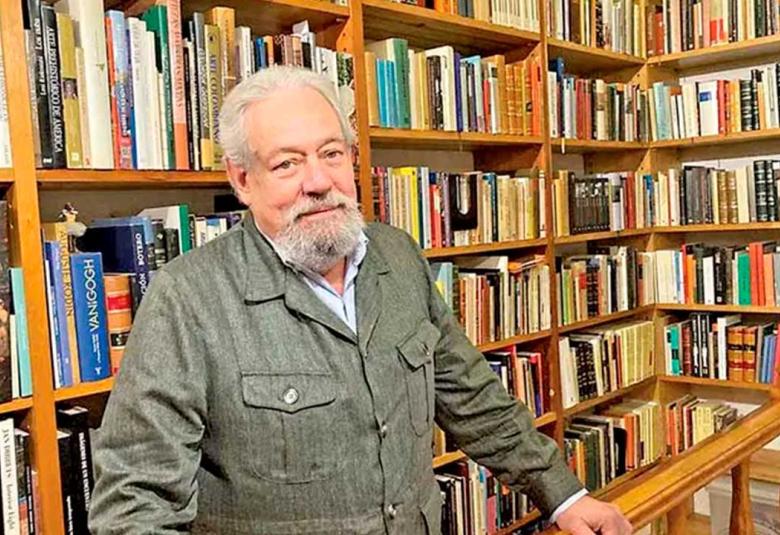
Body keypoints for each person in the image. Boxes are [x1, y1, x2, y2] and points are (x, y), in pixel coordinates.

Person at [88, 65, 632, 535]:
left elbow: (472, 397)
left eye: (330, 153)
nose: (318, 181)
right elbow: (135, 503)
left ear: (352, 158)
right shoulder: (188, 298)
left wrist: (564, 496)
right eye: (286, 163)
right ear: (241, 179)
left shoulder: (397, 257)